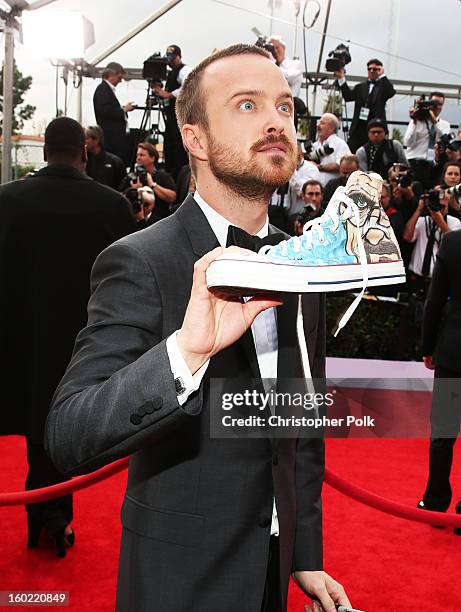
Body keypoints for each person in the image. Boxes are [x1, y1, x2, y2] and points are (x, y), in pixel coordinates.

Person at [45, 44, 351, 612]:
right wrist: (185, 352)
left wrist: (306, 554)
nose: (275, 121)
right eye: (246, 105)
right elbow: (68, 434)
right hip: (178, 579)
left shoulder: (302, 264)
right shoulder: (139, 260)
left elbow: (300, 427)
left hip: (272, 573)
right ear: (196, 139)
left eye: (285, 107)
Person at [0, 117, 136, 557]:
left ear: (44, 151)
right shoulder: (111, 205)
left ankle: (44, 518)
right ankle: (53, 517)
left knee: (37, 431)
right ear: (84, 152)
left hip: (20, 344)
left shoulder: (7, 200)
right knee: (61, 429)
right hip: (86, 345)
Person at [418, 229, 461, 526]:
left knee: (443, 433)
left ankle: (434, 502)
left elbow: (433, 302)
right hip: (451, 353)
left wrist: (427, 348)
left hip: (453, 352)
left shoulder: (453, 242)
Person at [335, 58, 395, 152]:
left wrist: (383, 75)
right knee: (349, 153)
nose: (371, 71)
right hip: (358, 127)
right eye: (369, 69)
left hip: (375, 127)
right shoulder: (360, 87)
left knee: (372, 155)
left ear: (379, 70)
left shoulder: (383, 87)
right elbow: (348, 96)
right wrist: (341, 78)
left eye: (375, 69)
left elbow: (391, 92)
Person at [153, 45, 192, 179]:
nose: (170, 62)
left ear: (179, 57)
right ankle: (170, 173)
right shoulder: (171, 73)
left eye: (173, 58)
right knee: (169, 146)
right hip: (170, 117)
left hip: (179, 117)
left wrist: (168, 94)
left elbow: (188, 85)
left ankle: (179, 175)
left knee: (177, 148)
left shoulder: (185, 70)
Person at [403, 92, 451, 190]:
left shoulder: (445, 125)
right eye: (434, 103)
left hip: (433, 165)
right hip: (415, 163)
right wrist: (414, 121)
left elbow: (445, 139)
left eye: (440, 104)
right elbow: (407, 142)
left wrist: (434, 121)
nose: (436, 106)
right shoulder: (417, 121)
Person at [121, 142, 177, 224]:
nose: (138, 158)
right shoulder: (130, 177)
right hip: (134, 222)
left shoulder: (162, 176)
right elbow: (120, 197)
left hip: (158, 222)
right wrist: (134, 190)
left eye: (142, 155)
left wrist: (153, 185)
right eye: (137, 155)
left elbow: (172, 197)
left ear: (152, 158)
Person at [93, 62, 135, 164]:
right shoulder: (103, 90)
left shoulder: (105, 90)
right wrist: (123, 110)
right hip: (111, 140)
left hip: (114, 139)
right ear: (111, 75)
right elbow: (104, 111)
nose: (120, 80)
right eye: (119, 76)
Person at [312, 113, 351, 187]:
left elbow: (341, 166)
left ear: (331, 128)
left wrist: (318, 167)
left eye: (322, 123)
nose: (318, 126)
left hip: (332, 191)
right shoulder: (315, 145)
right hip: (315, 193)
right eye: (318, 123)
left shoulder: (340, 144)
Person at [85, 125, 126, 190]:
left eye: (86, 138)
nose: (84, 142)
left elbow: (122, 187)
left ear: (96, 140)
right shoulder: (82, 160)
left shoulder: (115, 162)